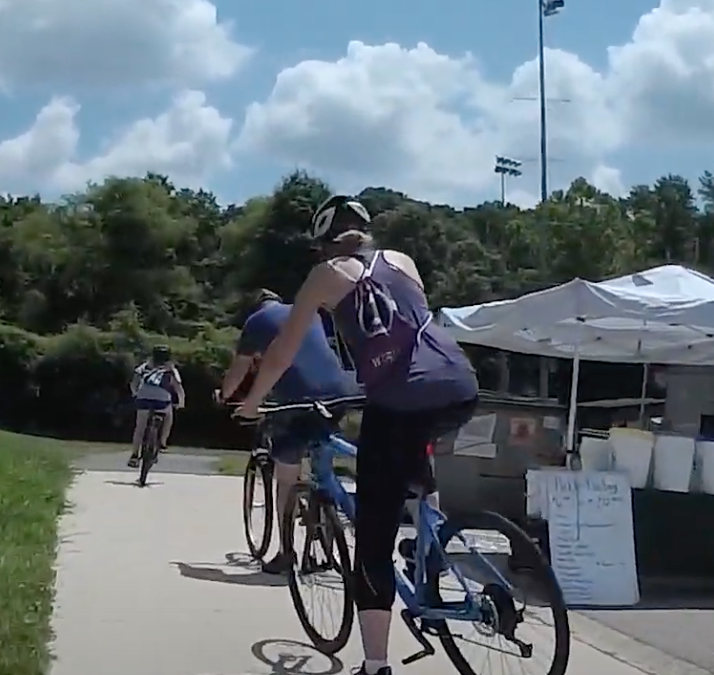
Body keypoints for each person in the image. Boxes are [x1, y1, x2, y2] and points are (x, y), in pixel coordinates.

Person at [236, 197, 478, 675]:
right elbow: (406, 325)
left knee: (372, 535)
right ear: (366, 232)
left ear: (323, 242)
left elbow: (283, 350)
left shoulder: (325, 275)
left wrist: (251, 400)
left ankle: (375, 664)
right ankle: (430, 547)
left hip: (398, 397)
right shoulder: (402, 261)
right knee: (411, 450)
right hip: (460, 383)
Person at [220, 288, 363, 574]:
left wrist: (225, 397)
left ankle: (287, 553)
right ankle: (329, 515)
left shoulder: (256, 322)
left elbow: (239, 370)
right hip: (341, 393)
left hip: (299, 398)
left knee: (286, 477)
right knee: (323, 458)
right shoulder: (310, 313)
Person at [129, 345, 185, 467]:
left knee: (140, 427)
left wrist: (136, 394)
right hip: (162, 401)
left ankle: (134, 455)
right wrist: (181, 402)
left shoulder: (144, 366)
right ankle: (163, 441)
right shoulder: (171, 369)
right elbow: (178, 387)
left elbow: (134, 383)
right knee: (169, 415)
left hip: (143, 399)